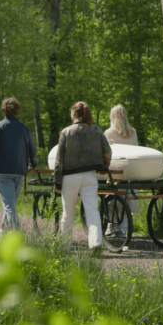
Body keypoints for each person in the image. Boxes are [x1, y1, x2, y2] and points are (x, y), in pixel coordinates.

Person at [54, 101, 112, 250]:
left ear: (74, 113)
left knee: (68, 212)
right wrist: (104, 167)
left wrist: (57, 183)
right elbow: (107, 151)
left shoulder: (66, 132)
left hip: (70, 177)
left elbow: (59, 160)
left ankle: (65, 245)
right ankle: (96, 242)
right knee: (92, 211)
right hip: (90, 175)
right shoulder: (96, 130)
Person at [0, 97, 38, 239]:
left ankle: (17, 234)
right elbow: (33, 148)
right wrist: (33, 165)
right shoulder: (25, 129)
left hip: (3, 171)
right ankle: (2, 231)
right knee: (10, 204)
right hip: (20, 171)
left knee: (9, 205)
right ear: (17, 111)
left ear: (3, 111)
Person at [104, 104, 139, 238]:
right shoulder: (133, 132)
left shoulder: (108, 133)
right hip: (130, 171)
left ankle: (112, 224)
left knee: (108, 196)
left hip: (114, 171)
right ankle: (123, 227)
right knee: (126, 195)